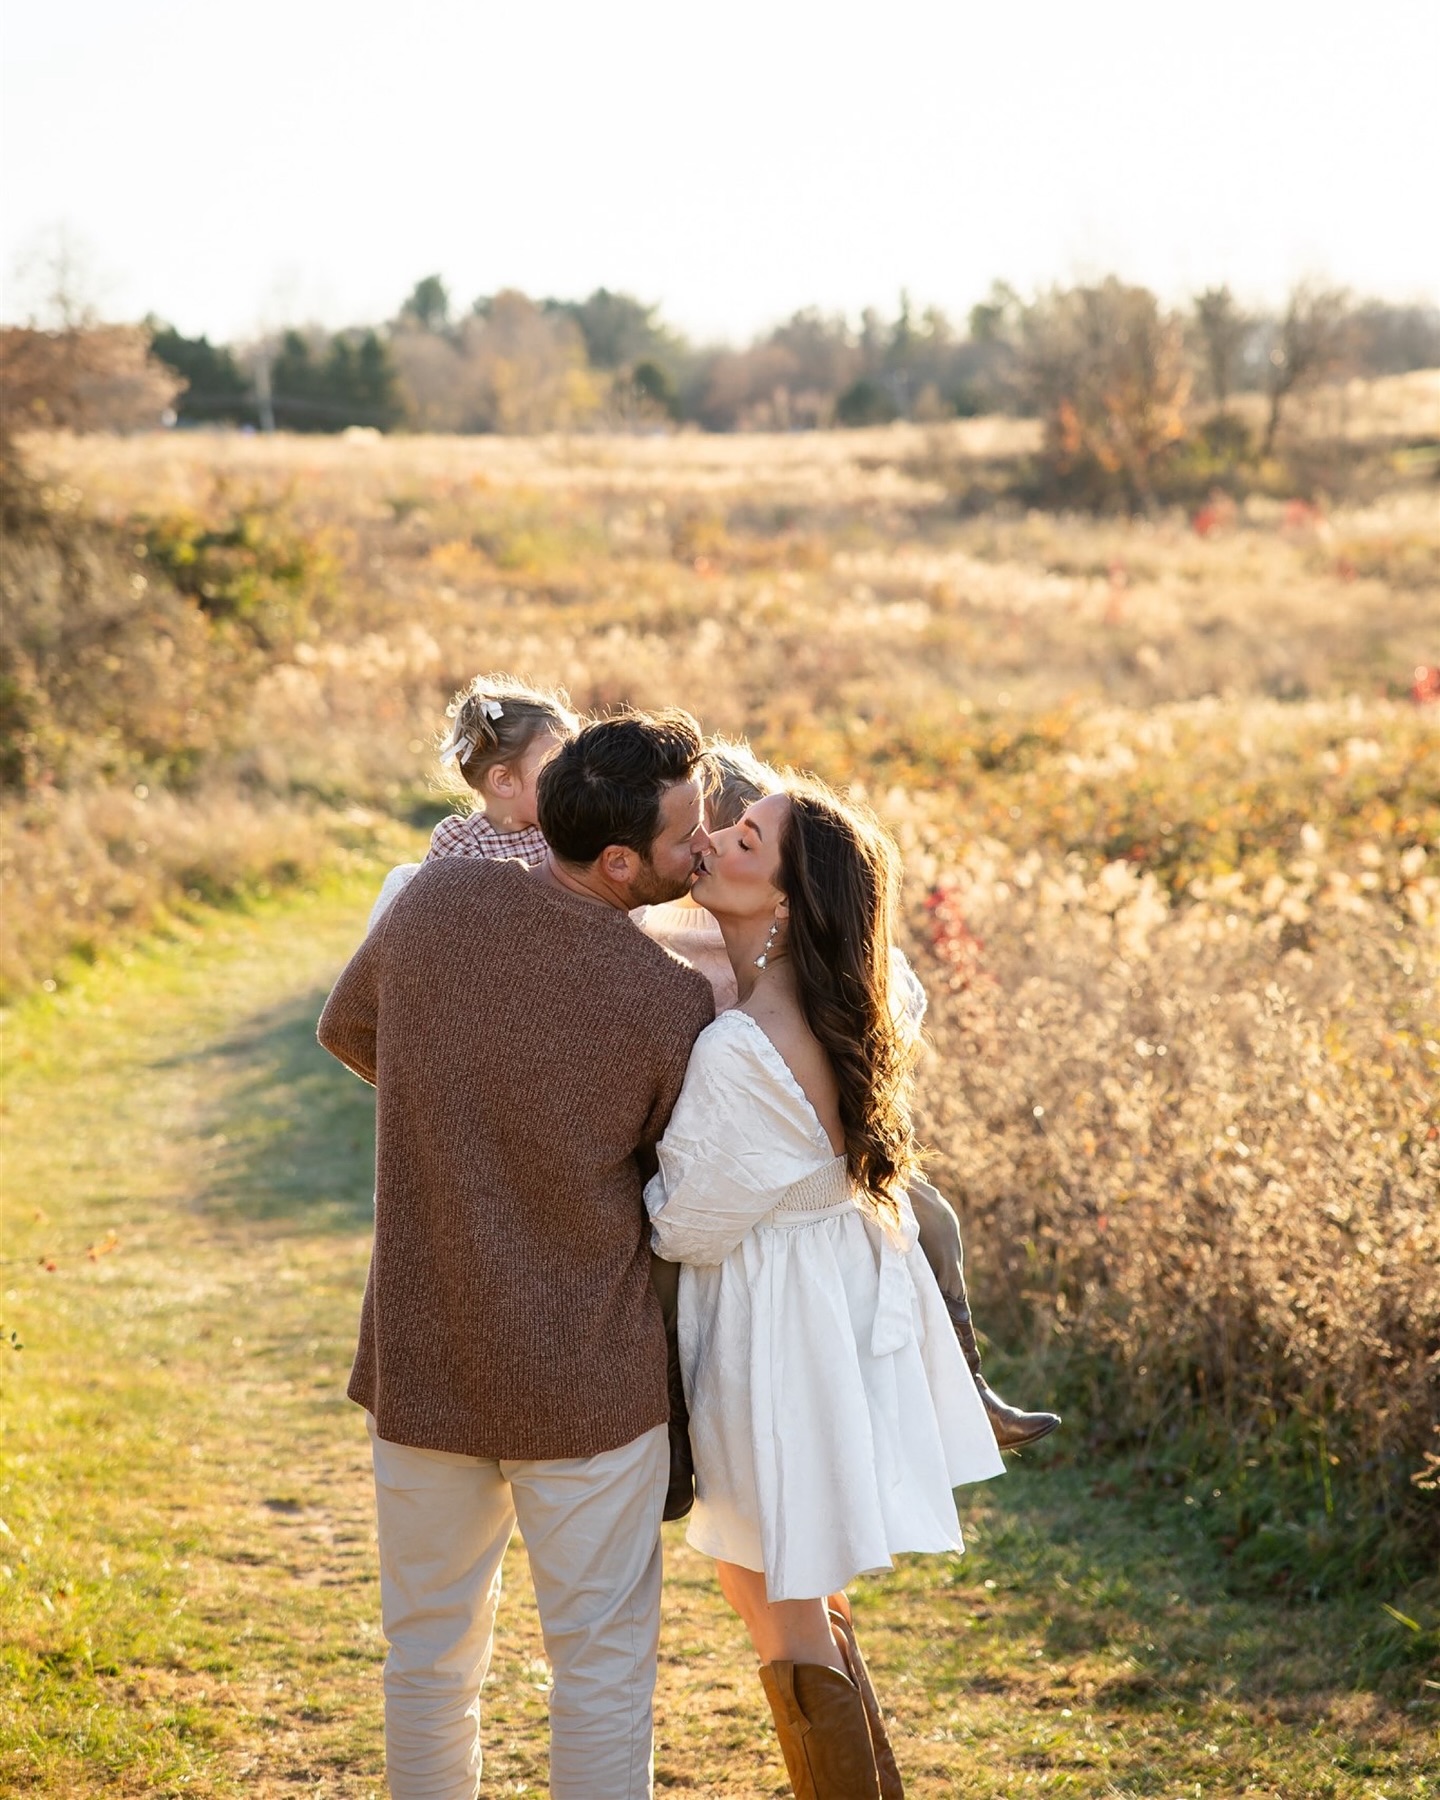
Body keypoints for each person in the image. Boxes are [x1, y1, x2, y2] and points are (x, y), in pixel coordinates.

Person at [317, 709, 715, 1800]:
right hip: (587, 1386)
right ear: (623, 859)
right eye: (690, 835)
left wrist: (454, 1108)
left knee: (427, 1660)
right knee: (601, 1669)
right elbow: (684, 1179)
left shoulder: (436, 901)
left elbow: (348, 1028)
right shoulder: (669, 1001)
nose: (704, 850)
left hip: (427, 1353)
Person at [646, 777, 1008, 1799]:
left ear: (791, 900)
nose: (713, 841)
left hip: (775, 1325)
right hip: (832, 1294)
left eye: (745, 838)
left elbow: (682, 1224)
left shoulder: (740, 1049)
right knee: (792, 1584)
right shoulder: (862, 993)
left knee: (780, 1593)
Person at [639, 742, 1059, 1451]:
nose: (712, 846)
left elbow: (889, 988)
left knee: (932, 1216)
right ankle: (670, 1421)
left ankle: (966, 1380)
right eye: (707, 833)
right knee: (666, 1270)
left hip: (792, 1125)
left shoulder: (791, 925)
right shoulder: (663, 920)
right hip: (714, 1130)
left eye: (745, 834)